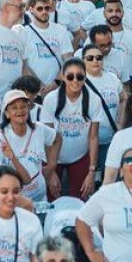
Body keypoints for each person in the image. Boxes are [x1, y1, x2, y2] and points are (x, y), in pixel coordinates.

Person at [40, 58, 100, 199]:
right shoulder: (51, 99)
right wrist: (50, 170)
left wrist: (92, 171)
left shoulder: (93, 100)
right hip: (53, 157)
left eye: (79, 76)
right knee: (51, 197)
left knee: (80, 198)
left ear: (85, 77)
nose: (75, 81)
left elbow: (93, 137)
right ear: (63, 77)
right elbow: (47, 137)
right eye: (70, 76)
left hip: (80, 156)